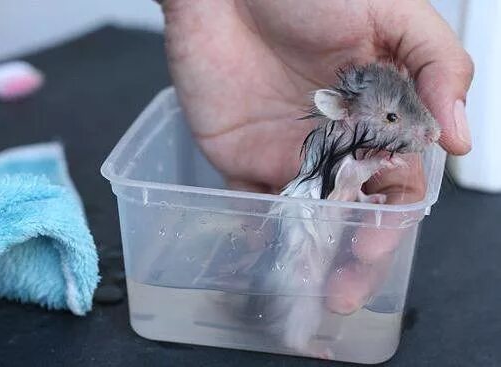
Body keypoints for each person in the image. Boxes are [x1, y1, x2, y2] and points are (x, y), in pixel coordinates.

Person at [156, 0, 473, 314]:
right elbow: (341, 178)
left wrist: (364, 196)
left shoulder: (342, 149)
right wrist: (376, 164)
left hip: (320, 236)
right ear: (341, 112)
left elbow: (342, 190)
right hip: (302, 252)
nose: (429, 131)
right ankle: (297, 339)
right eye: (391, 118)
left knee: (330, 283)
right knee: (300, 297)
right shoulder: (334, 153)